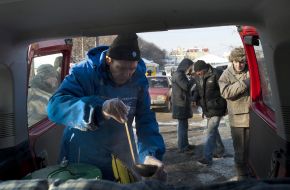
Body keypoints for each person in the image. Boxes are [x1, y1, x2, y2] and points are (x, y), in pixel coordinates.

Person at [46, 33, 166, 181]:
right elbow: (55, 107)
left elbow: (146, 120)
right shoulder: (84, 72)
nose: (127, 75)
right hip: (83, 154)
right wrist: (99, 108)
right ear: (109, 60)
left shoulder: (139, 79)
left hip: (121, 152)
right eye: (120, 68)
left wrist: (149, 154)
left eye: (132, 69)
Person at [218, 47, 250, 180]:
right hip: (238, 119)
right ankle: (242, 177)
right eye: (236, 62)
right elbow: (225, 92)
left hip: (254, 115)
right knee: (240, 151)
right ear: (232, 61)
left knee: (253, 149)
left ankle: (252, 173)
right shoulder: (226, 74)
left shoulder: (251, 69)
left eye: (241, 62)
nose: (239, 65)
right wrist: (244, 83)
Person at [192, 60, 227, 166]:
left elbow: (224, 90)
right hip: (207, 108)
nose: (197, 73)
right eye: (196, 72)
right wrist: (194, 98)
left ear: (205, 68)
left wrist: (226, 107)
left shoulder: (216, 73)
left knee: (210, 132)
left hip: (217, 107)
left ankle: (207, 158)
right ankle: (220, 151)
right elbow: (198, 90)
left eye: (199, 71)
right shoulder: (198, 77)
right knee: (213, 131)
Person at [171, 58, 195, 153]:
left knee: (183, 126)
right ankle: (182, 147)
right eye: (190, 67)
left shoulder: (179, 74)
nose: (190, 69)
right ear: (186, 66)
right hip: (180, 104)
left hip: (180, 103)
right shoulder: (179, 75)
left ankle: (185, 145)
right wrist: (193, 78)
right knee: (182, 127)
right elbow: (186, 86)